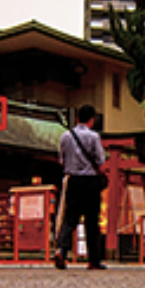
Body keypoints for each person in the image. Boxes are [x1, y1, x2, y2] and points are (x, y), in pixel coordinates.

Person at [55, 104, 106, 270]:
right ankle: (94, 260)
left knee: (70, 219)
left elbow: (61, 160)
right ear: (91, 120)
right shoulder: (94, 137)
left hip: (73, 181)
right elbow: (100, 162)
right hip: (90, 182)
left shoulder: (65, 136)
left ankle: (62, 250)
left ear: (77, 119)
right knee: (92, 222)